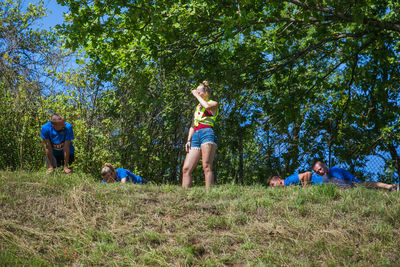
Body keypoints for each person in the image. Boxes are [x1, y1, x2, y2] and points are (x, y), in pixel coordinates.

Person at [182, 81, 218, 188]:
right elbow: (193, 125)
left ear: (206, 92)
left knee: (206, 166)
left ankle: (209, 195)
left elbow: (206, 106)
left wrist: (196, 95)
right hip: (195, 136)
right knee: (186, 169)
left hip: (207, 133)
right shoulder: (197, 108)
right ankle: (184, 196)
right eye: (196, 92)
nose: (197, 93)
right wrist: (188, 140)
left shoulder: (213, 103)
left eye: (199, 92)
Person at [312, 161, 399, 191]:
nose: (319, 172)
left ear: (324, 165)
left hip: (354, 184)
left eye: (320, 169)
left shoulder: (334, 170)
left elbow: (342, 182)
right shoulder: (326, 178)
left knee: (365, 185)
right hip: (347, 188)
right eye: (317, 172)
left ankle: (390, 187)